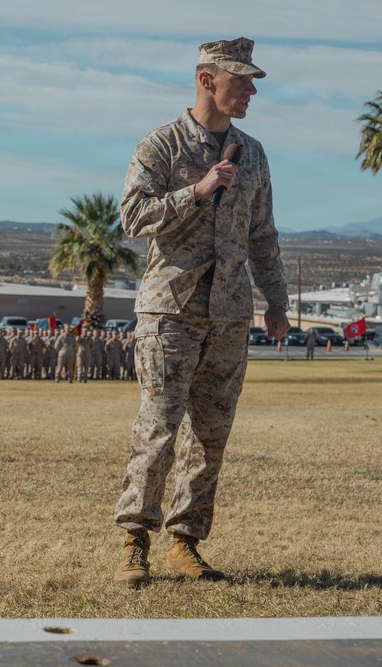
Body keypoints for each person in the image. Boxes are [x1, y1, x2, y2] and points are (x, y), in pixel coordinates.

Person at [112, 37, 290, 588]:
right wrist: (198, 189)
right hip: (172, 310)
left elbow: (262, 234)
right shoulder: (161, 145)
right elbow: (133, 217)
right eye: (242, 81)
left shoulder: (254, 153)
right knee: (158, 427)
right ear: (207, 79)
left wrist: (277, 300)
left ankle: (185, 542)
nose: (252, 90)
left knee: (211, 433)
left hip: (231, 313)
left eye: (253, 81)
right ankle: (134, 541)